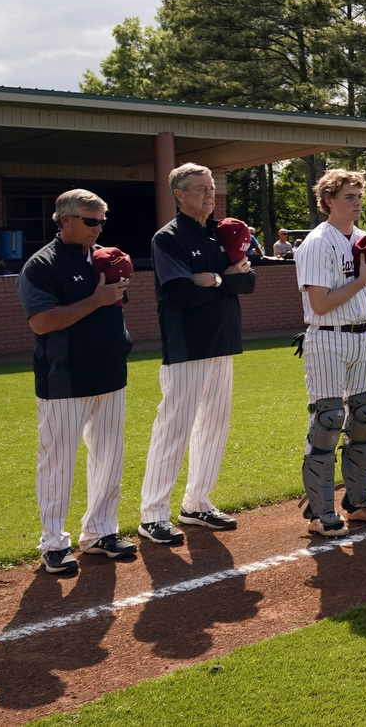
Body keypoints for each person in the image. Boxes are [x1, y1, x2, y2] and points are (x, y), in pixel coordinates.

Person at [19, 189, 137, 572]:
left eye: (102, 220)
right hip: (64, 379)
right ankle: (54, 543)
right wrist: (97, 299)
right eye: (90, 221)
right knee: (57, 464)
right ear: (65, 220)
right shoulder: (42, 265)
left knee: (109, 459)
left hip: (110, 374)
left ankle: (100, 532)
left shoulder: (105, 257)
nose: (98, 227)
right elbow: (42, 321)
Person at [139, 163, 255, 546]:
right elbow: (181, 293)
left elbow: (249, 281)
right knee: (173, 430)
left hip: (222, 342)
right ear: (179, 194)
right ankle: (153, 514)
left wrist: (217, 278)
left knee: (214, 428)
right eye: (200, 188)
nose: (209, 194)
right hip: (187, 346)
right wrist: (227, 279)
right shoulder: (168, 238)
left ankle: (197, 504)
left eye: (211, 187)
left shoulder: (220, 232)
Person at [293, 169, 366, 537]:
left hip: (363, 336)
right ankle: (320, 512)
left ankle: (358, 501)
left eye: (359, 196)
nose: (358, 203)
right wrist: (363, 277)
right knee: (329, 419)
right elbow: (319, 304)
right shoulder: (317, 243)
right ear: (329, 201)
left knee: (365, 415)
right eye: (350, 197)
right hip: (328, 337)